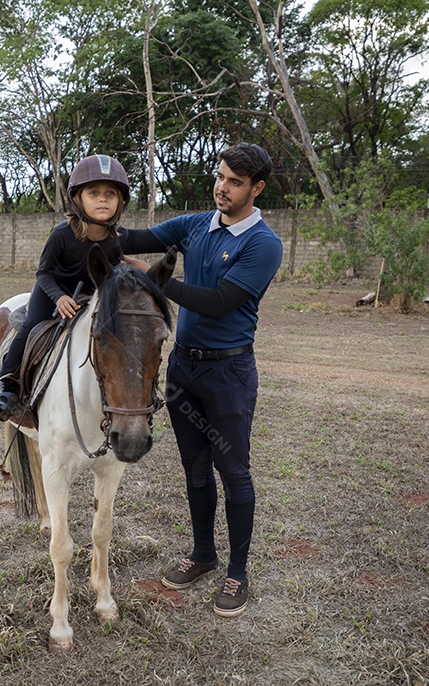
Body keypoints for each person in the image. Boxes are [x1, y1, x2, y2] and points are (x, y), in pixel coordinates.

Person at [123, 142, 282, 617]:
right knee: (194, 467)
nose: (222, 187)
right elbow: (134, 238)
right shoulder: (195, 225)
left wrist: (154, 279)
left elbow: (216, 301)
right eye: (220, 176)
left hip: (229, 372)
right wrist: (91, 218)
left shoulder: (263, 244)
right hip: (183, 369)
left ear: (256, 188)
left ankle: (237, 572)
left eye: (235, 181)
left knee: (232, 472)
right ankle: (203, 555)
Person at [0, 154, 131, 420]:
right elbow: (44, 273)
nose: (102, 199)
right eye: (94, 192)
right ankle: (7, 383)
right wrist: (59, 297)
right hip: (53, 289)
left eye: (111, 193)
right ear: (78, 198)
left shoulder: (117, 239)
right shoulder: (61, 234)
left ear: (120, 201)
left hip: (90, 295)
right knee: (30, 327)